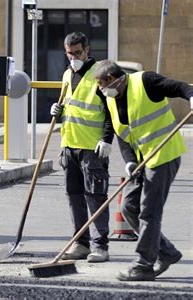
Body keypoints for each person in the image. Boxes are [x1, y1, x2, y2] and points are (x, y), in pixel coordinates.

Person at [94, 60, 193, 281]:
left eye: (101, 84)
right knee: (129, 207)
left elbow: (180, 87)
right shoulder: (111, 99)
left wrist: (192, 96)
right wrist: (129, 162)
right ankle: (166, 252)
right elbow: (123, 135)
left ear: (112, 79)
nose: (100, 90)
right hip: (141, 161)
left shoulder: (146, 81)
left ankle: (143, 265)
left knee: (149, 212)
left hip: (164, 155)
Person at [50, 32, 113, 263]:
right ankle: (81, 242)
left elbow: (110, 111)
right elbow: (72, 107)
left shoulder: (101, 74)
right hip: (69, 146)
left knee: (95, 196)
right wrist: (59, 111)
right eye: (70, 53)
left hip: (92, 149)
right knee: (74, 197)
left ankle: (100, 246)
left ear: (87, 49)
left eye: (78, 52)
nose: (74, 57)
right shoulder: (67, 74)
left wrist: (107, 139)